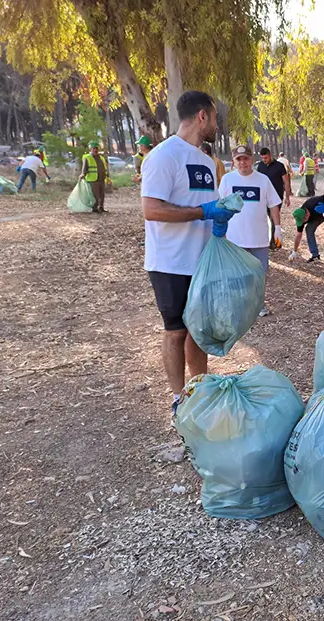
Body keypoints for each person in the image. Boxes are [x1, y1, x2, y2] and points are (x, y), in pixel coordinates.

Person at [140, 90, 237, 411]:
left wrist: (218, 221)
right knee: (176, 332)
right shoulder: (163, 156)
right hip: (169, 262)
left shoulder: (206, 161)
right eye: (215, 118)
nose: (217, 125)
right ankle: (179, 398)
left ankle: (201, 392)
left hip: (202, 262)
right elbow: (152, 209)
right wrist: (202, 212)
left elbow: (204, 205)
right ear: (202, 116)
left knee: (199, 331)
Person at [219, 144, 283, 317]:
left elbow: (274, 205)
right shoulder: (227, 180)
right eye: (238, 159)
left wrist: (277, 227)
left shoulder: (262, 180)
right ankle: (239, 305)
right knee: (236, 274)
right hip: (235, 238)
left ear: (251, 160)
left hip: (259, 237)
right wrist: (220, 230)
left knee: (259, 273)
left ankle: (258, 305)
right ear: (234, 162)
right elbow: (221, 206)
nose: (242, 163)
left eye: (245, 158)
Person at [257, 147, 291, 250]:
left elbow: (286, 181)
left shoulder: (279, 166)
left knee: (273, 219)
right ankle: (264, 240)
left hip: (276, 197)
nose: (264, 160)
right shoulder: (260, 166)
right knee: (263, 218)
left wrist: (287, 197)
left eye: (266, 158)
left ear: (270, 155)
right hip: (263, 197)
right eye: (262, 158)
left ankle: (273, 243)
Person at [290, 193, 324, 262]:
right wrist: (294, 251)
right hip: (317, 216)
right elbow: (298, 235)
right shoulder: (300, 216)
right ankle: (315, 255)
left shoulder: (315, 204)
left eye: (304, 220)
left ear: (307, 215)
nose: (303, 223)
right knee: (309, 229)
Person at [81, 141, 110, 213]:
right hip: (92, 180)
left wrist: (107, 176)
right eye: (94, 148)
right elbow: (85, 168)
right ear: (91, 149)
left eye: (96, 148)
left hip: (101, 179)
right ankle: (94, 208)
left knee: (102, 195)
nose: (95, 150)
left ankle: (101, 207)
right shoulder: (87, 157)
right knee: (95, 195)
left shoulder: (101, 158)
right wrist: (83, 174)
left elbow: (105, 168)